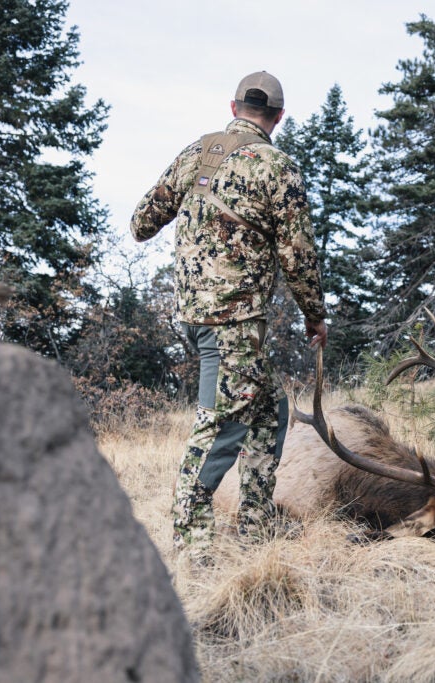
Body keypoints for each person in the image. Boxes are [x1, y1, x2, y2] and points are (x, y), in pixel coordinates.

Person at [130, 71, 328, 555]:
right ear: (278, 117)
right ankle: (190, 546)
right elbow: (298, 255)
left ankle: (256, 528)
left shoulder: (196, 152)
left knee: (269, 412)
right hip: (233, 326)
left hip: (196, 319)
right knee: (217, 428)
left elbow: (141, 224)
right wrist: (315, 316)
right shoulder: (278, 167)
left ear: (233, 105)